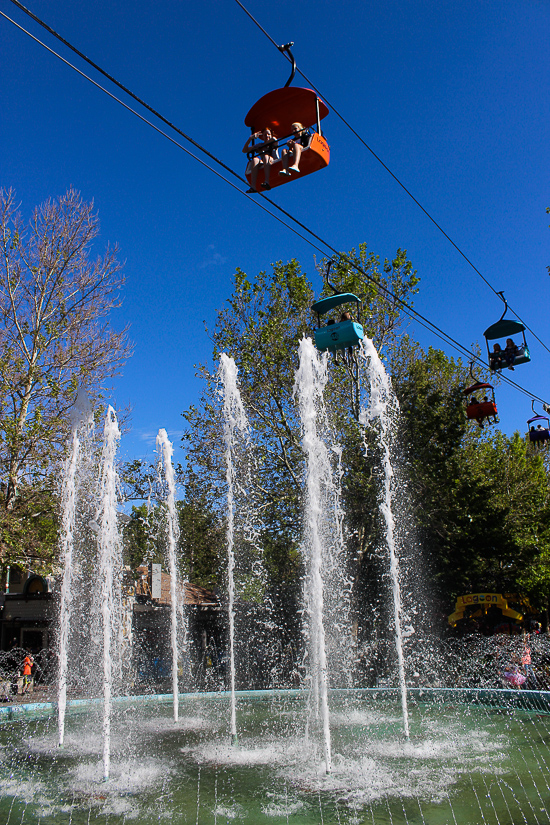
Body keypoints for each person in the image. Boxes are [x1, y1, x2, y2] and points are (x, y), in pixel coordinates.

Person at [243, 128, 279, 192]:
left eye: (268, 134)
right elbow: (245, 150)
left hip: (273, 161)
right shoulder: (260, 145)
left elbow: (274, 139)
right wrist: (250, 138)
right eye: (265, 135)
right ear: (262, 137)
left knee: (265, 156)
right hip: (264, 162)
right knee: (254, 160)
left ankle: (267, 181)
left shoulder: (273, 141)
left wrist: (261, 147)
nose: (267, 136)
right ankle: (253, 186)